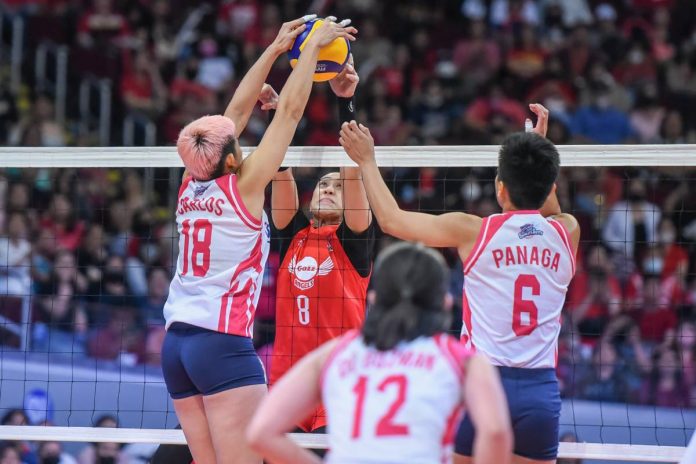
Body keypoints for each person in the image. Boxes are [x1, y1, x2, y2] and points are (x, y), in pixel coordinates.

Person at [160, 15, 357, 464]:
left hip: (176, 346)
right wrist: (310, 50)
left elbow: (232, 115)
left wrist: (274, 48)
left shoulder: (190, 183)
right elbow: (287, 114)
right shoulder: (244, 187)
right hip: (221, 345)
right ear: (232, 159)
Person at [340, 104, 580, 464]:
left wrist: (367, 161)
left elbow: (391, 220)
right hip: (539, 394)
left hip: (481, 386)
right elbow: (546, 211)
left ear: (500, 187)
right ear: (551, 185)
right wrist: (537, 151)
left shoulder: (474, 231)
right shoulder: (569, 231)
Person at [247, 242, 512, 464]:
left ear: (373, 299)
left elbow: (261, 432)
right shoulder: (463, 360)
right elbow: (496, 432)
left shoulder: (337, 352)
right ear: (446, 301)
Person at [263, 56, 374, 434]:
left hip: (338, 386)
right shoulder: (292, 234)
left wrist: (346, 100)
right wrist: (277, 115)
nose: (329, 187)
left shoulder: (354, 239)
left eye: (337, 186)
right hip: (286, 386)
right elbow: (278, 171)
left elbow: (353, 170)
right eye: (324, 184)